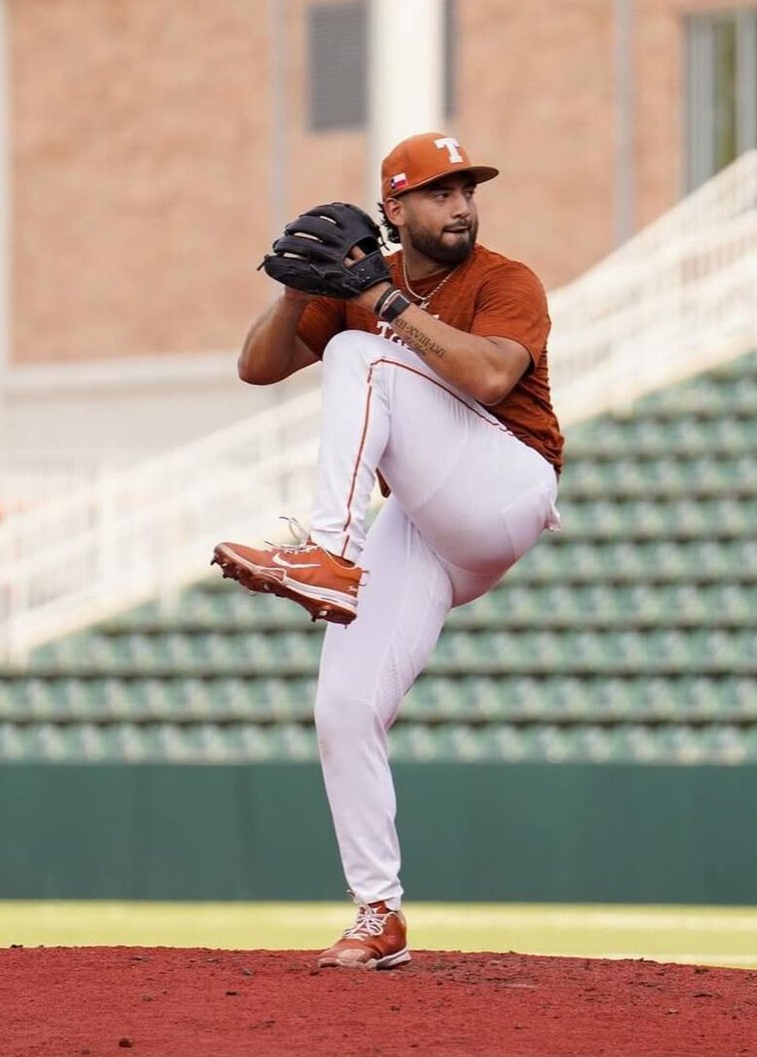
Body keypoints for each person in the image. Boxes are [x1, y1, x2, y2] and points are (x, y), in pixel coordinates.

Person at [213, 131, 564, 970]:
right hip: (428, 525)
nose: (462, 205)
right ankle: (380, 915)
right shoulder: (370, 281)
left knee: (358, 351)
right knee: (344, 707)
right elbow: (255, 368)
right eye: (440, 192)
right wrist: (296, 287)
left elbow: (487, 379)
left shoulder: (504, 281)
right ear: (395, 209)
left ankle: (329, 549)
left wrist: (383, 304)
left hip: (506, 486)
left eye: (468, 189)